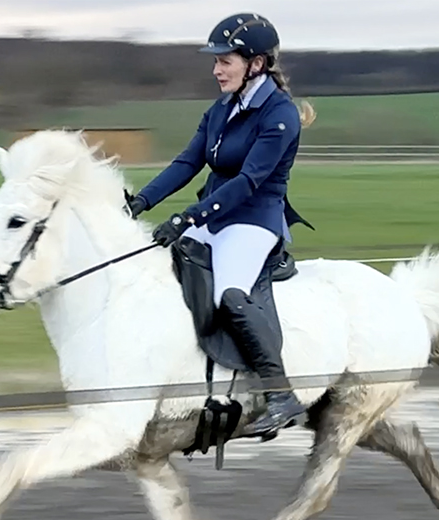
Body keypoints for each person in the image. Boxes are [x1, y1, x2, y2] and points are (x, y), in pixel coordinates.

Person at [125, 12, 317, 441]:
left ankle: (279, 393)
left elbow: (249, 182)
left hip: (253, 221)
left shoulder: (279, 115)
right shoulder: (220, 109)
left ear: (256, 64)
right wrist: (141, 201)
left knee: (230, 294)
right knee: (158, 274)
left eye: (224, 60)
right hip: (214, 215)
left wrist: (187, 218)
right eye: (215, 61)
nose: (216, 69)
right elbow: (188, 162)